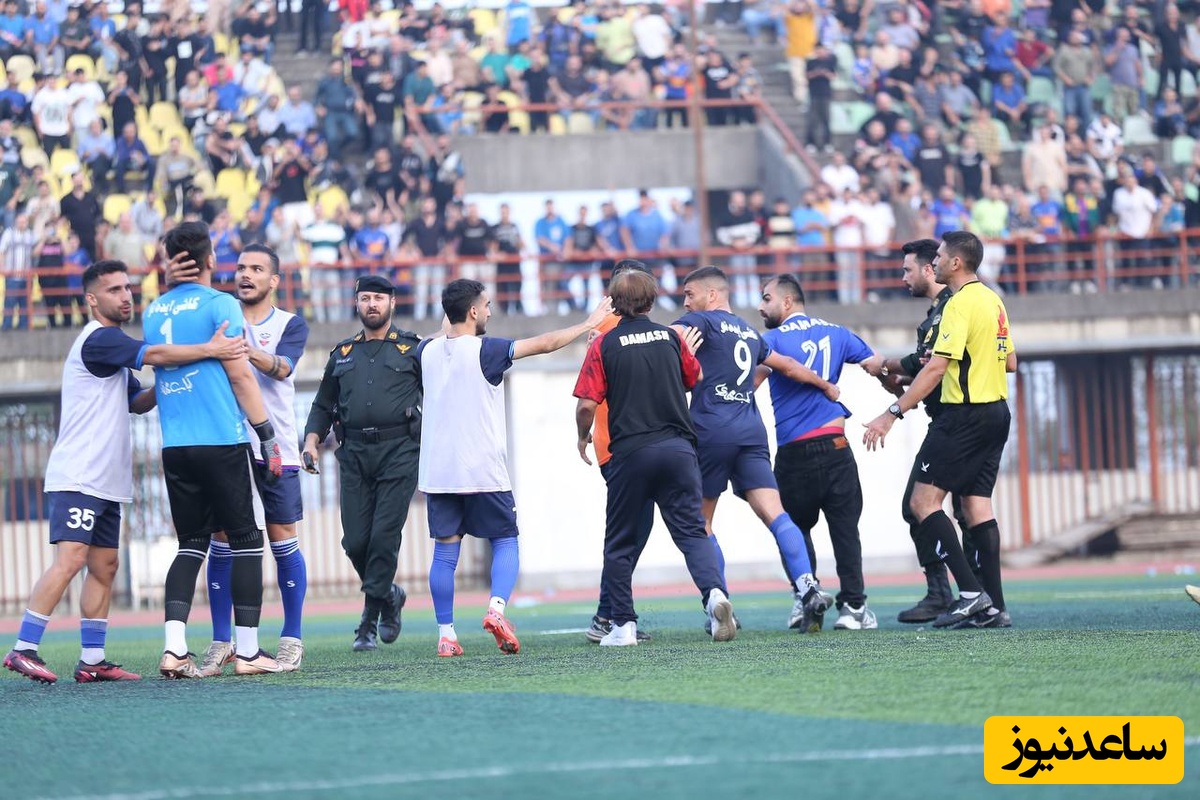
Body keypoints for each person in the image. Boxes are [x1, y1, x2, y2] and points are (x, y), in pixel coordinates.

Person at [3, 259, 245, 684]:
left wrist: (176, 382)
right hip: (79, 476)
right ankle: (23, 647)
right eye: (114, 290)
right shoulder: (100, 339)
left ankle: (92, 660)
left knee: (105, 567)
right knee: (71, 560)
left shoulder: (111, 353)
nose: (126, 296)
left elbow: (137, 401)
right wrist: (210, 350)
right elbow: (154, 354)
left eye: (128, 288)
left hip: (106, 481)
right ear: (92, 300)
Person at [418, 280, 612, 658]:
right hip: (483, 470)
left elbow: (442, 333)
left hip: (438, 473)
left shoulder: (425, 350)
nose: (490, 312)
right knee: (505, 539)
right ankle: (496, 610)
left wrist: (450, 320)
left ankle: (446, 635)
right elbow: (545, 343)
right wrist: (588, 324)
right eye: (486, 305)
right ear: (473, 311)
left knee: (444, 554)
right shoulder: (487, 350)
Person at [143, 222, 285, 678]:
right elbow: (240, 375)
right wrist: (266, 434)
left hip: (175, 444)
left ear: (171, 260)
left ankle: (174, 650)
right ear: (210, 260)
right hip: (220, 439)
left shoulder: (152, 310)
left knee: (190, 545)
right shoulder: (221, 304)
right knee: (246, 541)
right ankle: (249, 653)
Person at [166, 244, 311, 674]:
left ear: (274, 280)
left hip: (275, 446)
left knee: (282, 537)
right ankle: (222, 642)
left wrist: (240, 349)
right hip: (224, 446)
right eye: (242, 267)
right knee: (223, 541)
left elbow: (283, 368)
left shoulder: (290, 323)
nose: (246, 274)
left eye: (257, 269)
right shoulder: (218, 317)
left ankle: (291, 638)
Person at [574, 268, 738, 646]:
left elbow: (586, 405)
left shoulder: (604, 344)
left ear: (615, 304)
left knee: (620, 542)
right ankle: (714, 595)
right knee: (693, 532)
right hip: (679, 449)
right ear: (651, 301)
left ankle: (623, 626)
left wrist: (582, 436)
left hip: (631, 453)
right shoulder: (671, 338)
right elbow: (693, 378)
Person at [862, 231, 1016, 629]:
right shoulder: (993, 300)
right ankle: (995, 608)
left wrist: (891, 413)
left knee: (922, 503)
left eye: (941, 257)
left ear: (956, 263)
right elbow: (1011, 362)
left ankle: (969, 594)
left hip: (963, 416)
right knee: (976, 507)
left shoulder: (959, 303)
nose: (937, 262)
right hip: (997, 412)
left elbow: (936, 367)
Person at [674, 266, 841, 632]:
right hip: (750, 431)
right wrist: (825, 386)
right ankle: (807, 586)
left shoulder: (700, 321)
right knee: (776, 514)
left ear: (712, 295)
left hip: (710, 430)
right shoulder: (750, 331)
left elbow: (668, 338)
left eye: (689, 294)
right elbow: (788, 366)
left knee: (700, 523)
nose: (684, 302)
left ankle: (718, 601)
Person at [756, 274, 882, 631]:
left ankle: (804, 598)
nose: (761, 306)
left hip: (793, 452)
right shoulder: (838, 332)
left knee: (791, 529)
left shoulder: (771, 341)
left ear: (787, 302)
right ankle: (854, 608)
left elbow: (749, 384)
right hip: (835, 445)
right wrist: (898, 389)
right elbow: (876, 365)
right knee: (845, 530)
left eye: (767, 298)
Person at [302, 275, 420, 652]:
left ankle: (368, 623)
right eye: (365, 298)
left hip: (400, 450)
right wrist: (311, 441)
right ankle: (389, 595)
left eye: (379, 298)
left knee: (383, 538)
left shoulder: (413, 350)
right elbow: (323, 404)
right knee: (355, 542)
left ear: (392, 303)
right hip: (353, 453)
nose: (372, 304)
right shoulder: (343, 353)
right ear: (356, 303)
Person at [861, 240, 966, 623]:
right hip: (951, 419)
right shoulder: (940, 310)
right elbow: (925, 367)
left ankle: (961, 593)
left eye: (908, 269)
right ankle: (963, 593)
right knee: (959, 510)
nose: (903, 277)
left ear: (929, 269)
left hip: (957, 421)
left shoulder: (952, 307)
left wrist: (887, 368)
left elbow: (933, 365)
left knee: (924, 506)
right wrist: (895, 376)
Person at [577, 260, 655, 644]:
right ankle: (607, 615)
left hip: (618, 444)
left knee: (632, 530)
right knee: (629, 533)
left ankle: (609, 613)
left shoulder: (605, 328)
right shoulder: (616, 328)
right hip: (625, 443)